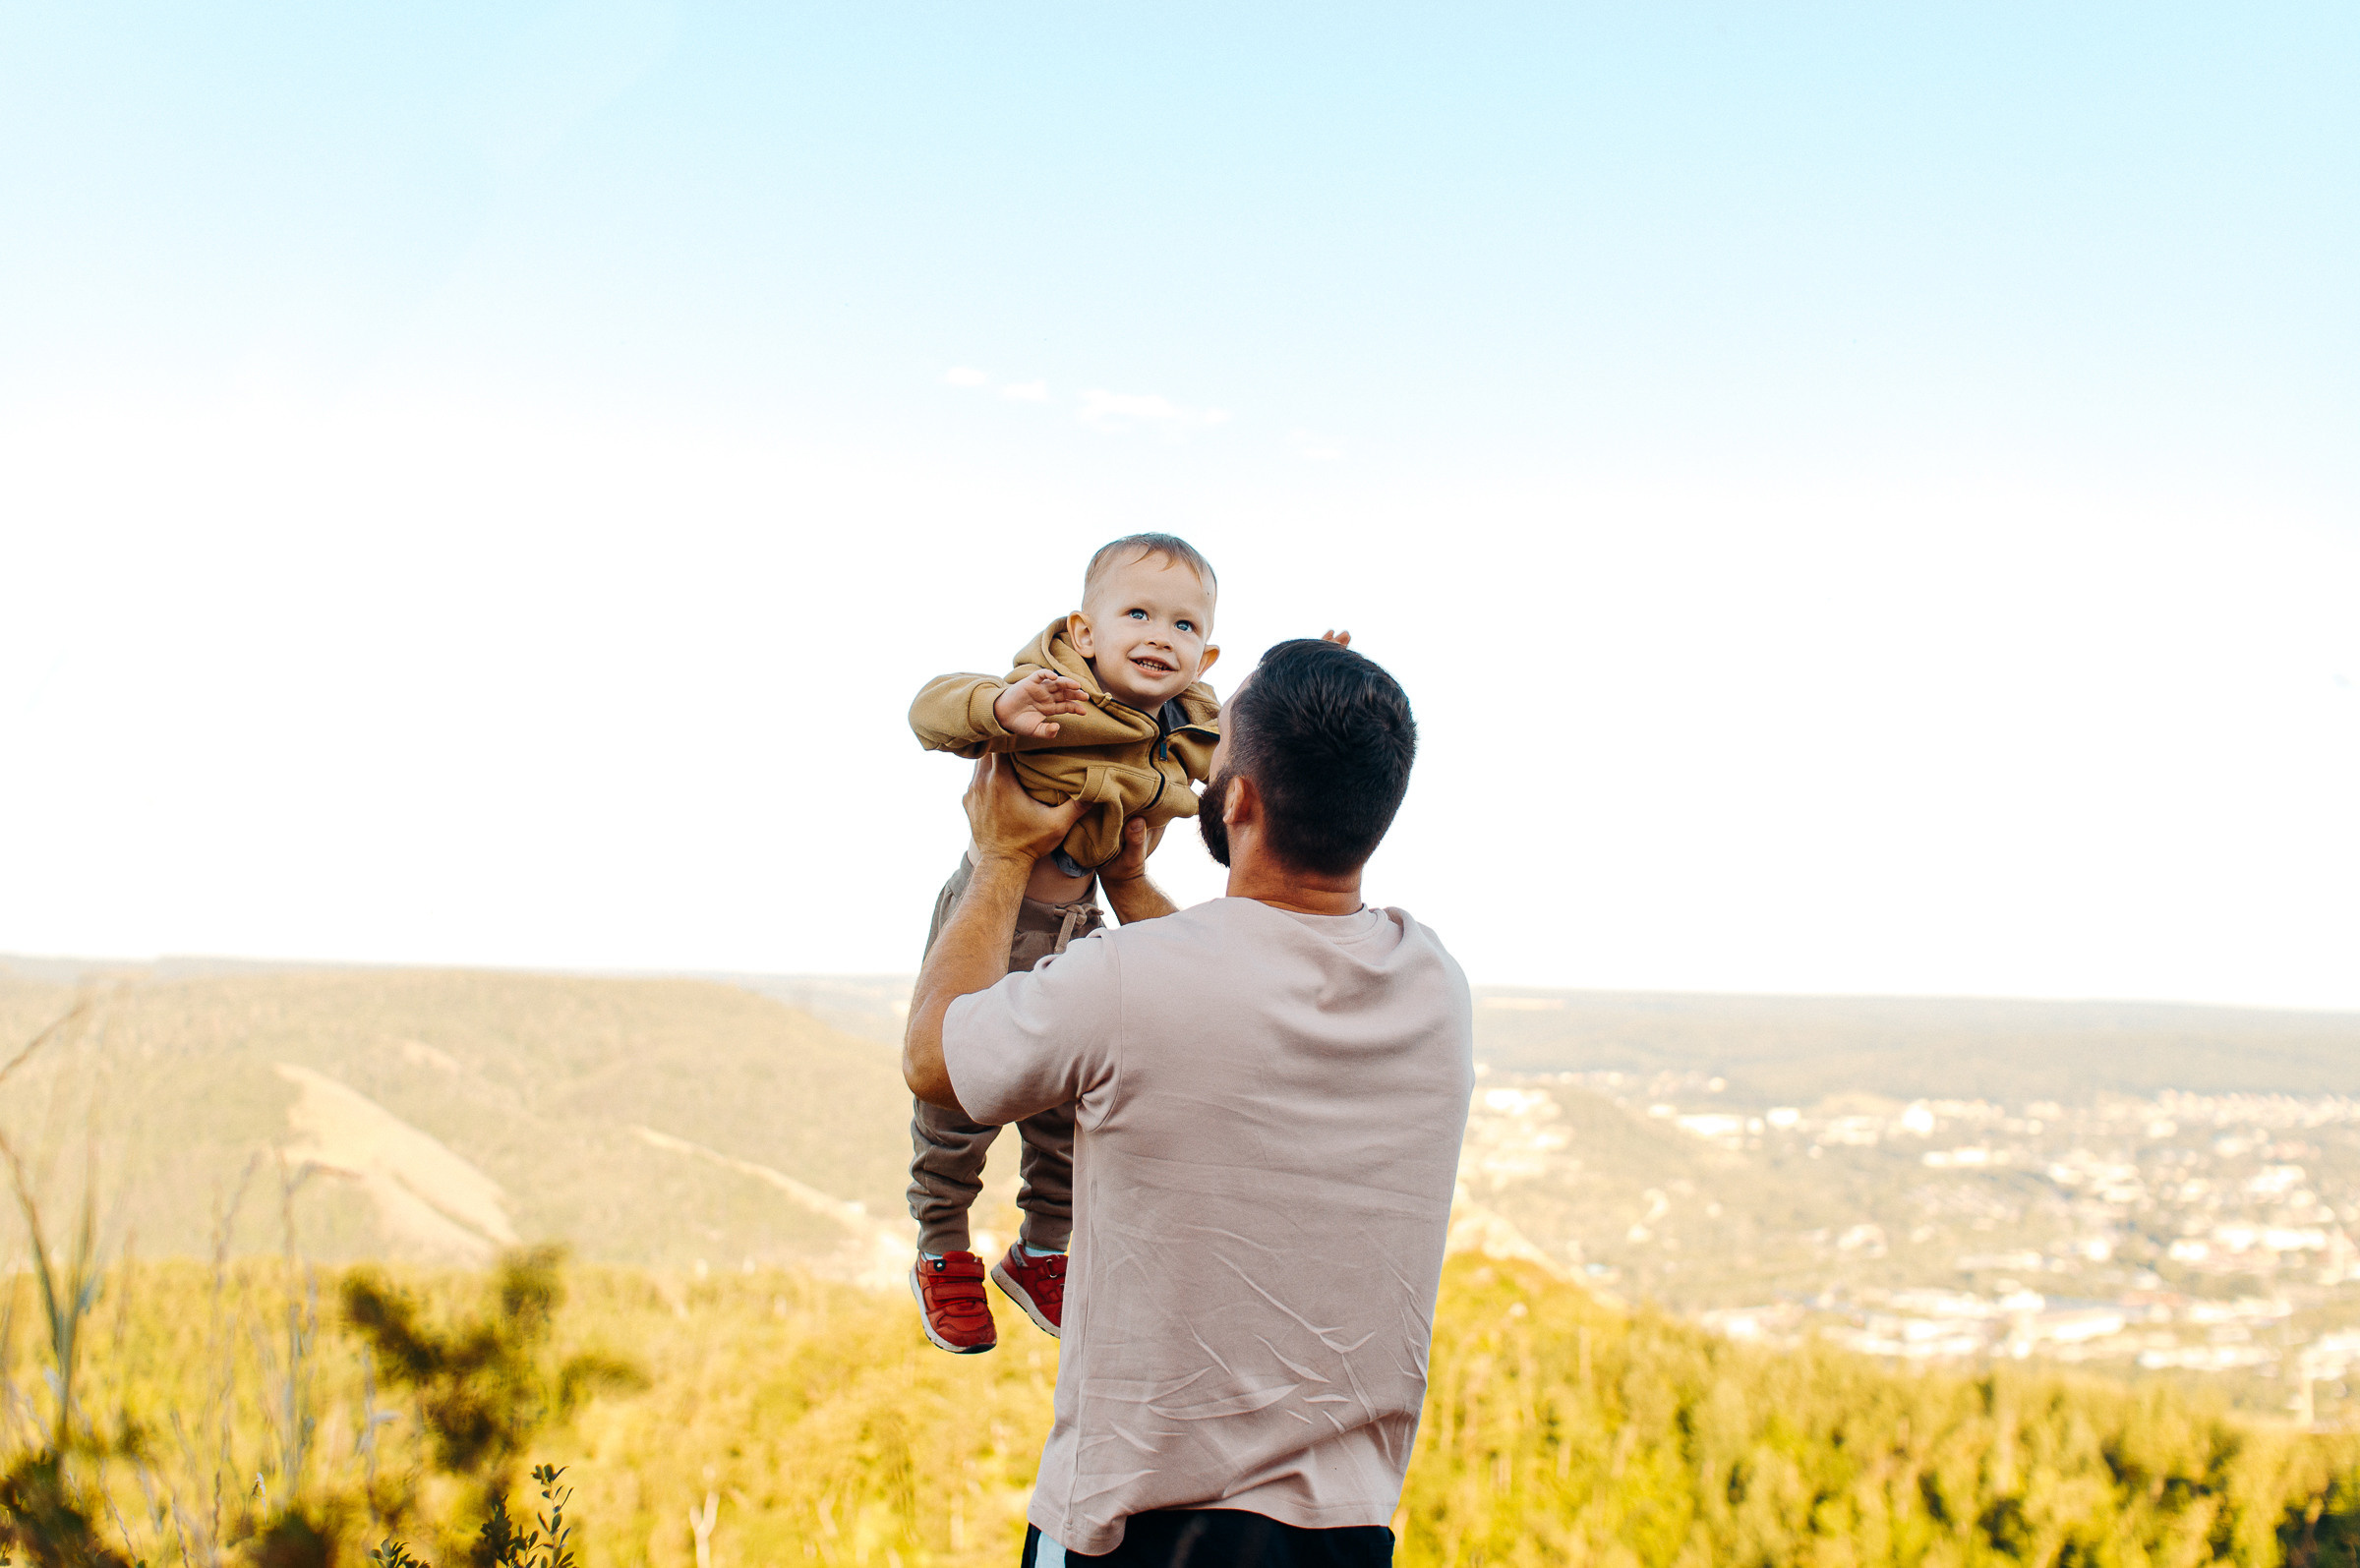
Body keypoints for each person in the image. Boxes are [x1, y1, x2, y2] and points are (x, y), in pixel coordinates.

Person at [905, 637, 1473, 1565]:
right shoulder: (1431, 982)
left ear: (1239, 800)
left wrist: (999, 857)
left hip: (1133, 1531)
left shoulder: (1130, 982)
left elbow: (936, 1059)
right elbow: (1236, 984)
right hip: (1346, 1535)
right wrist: (1126, 882)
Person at [902, 534, 1223, 1354]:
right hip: (990, 917)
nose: (1160, 634)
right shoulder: (1050, 693)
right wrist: (999, 712)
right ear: (1085, 630)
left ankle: (1041, 1250)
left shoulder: (1185, 723)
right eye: (1138, 613)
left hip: (1081, 922)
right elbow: (930, 708)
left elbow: (1244, 742)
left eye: (1183, 624)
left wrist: (1303, 679)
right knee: (956, 1102)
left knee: (1073, 1106)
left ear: (1206, 651)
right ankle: (942, 1248)